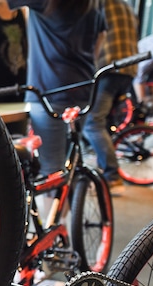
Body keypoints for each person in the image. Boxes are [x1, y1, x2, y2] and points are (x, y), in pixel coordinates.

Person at [8, 0, 106, 177]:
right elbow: (101, 35)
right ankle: (70, 203)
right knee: (71, 163)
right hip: (83, 86)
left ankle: (61, 205)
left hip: (49, 89)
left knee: (51, 170)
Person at [82, 0, 139, 194]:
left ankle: (112, 177)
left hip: (109, 68)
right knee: (103, 123)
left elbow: (92, 35)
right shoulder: (125, 5)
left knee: (92, 123)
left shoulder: (99, 3)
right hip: (128, 70)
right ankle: (104, 171)